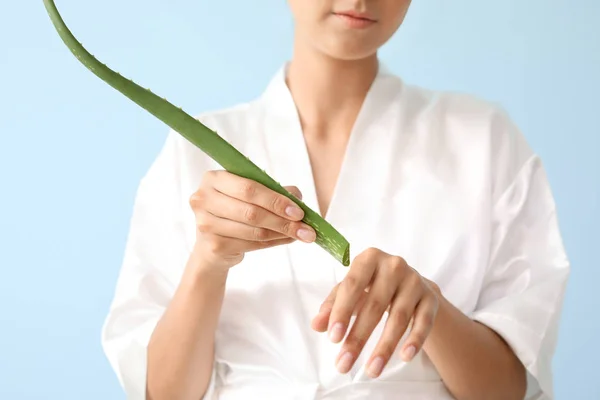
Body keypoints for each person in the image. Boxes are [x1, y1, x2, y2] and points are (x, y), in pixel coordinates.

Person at [100, 1, 571, 399]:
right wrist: (209, 260)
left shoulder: (484, 140)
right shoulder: (193, 153)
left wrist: (430, 308)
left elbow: (509, 387)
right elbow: (162, 391)